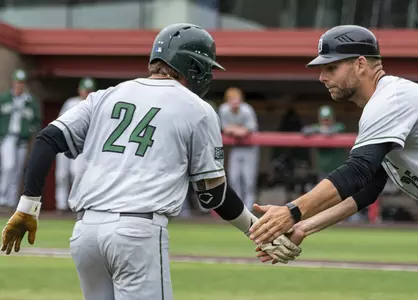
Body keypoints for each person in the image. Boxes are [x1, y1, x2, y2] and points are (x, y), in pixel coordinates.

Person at [0, 23, 300, 300]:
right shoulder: (198, 108)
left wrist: (27, 208)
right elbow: (213, 194)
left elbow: (46, 140)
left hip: (85, 233)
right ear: (192, 66)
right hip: (137, 231)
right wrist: (256, 229)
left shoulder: (106, 95)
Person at [249, 25, 418, 300]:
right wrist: (304, 227)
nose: (322, 77)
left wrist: (293, 211)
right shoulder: (386, 101)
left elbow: (357, 171)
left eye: (331, 68)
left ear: (360, 64)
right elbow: (368, 188)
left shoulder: (391, 100)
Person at [0, 69, 41, 211]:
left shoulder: (29, 101)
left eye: (21, 83)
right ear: (13, 82)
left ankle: (11, 201)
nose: (19, 85)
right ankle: (2, 199)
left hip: (22, 138)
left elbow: (37, 120)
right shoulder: (4, 98)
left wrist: (30, 131)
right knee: (8, 167)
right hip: (8, 137)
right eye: (17, 82)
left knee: (17, 170)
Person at [55, 77, 96, 214]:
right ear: (80, 90)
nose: (86, 93)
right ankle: (61, 205)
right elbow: (60, 122)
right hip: (65, 141)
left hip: (80, 144)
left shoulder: (94, 104)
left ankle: (75, 203)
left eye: (89, 90)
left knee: (76, 174)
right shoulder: (70, 102)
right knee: (62, 175)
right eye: (85, 90)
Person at [218, 87, 259, 211]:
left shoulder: (246, 109)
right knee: (234, 177)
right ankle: (238, 208)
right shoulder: (224, 109)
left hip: (250, 148)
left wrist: (235, 129)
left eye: (237, 100)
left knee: (249, 180)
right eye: (232, 100)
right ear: (228, 101)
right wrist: (238, 129)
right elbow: (225, 129)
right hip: (236, 148)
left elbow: (249, 129)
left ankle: (249, 209)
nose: (235, 102)